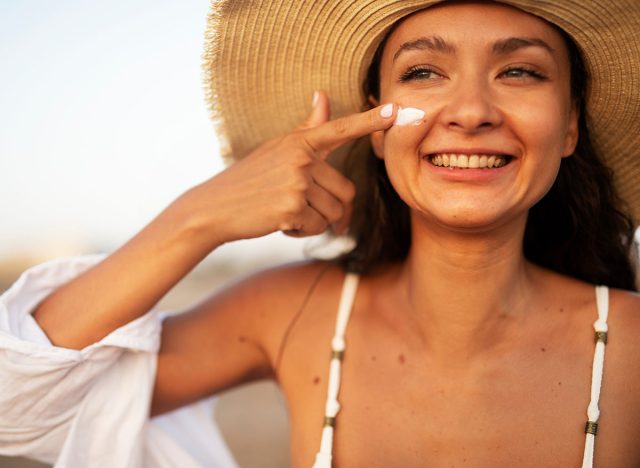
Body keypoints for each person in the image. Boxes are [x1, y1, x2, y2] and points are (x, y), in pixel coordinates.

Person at [1, 0, 639, 467]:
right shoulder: (292, 312)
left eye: (520, 72)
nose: (471, 112)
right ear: (375, 122)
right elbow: (15, 408)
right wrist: (197, 218)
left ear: (571, 125)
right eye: (423, 73)